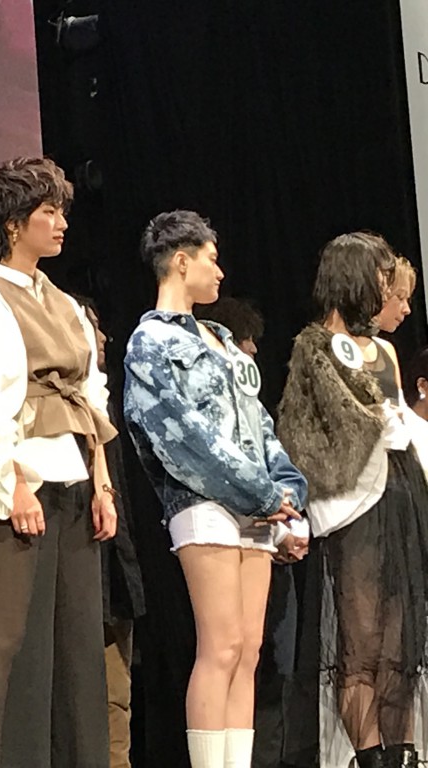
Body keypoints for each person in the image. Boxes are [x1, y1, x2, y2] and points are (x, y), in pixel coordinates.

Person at [123, 210, 307, 768]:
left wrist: (287, 492)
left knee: (248, 650)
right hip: (203, 503)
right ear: (181, 262)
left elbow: (258, 423)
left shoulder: (223, 339)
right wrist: (261, 494)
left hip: (256, 504)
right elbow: (182, 437)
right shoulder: (150, 341)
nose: (220, 271)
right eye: (211, 258)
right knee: (221, 645)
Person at [0, 156, 118, 768]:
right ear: (14, 223)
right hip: (24, 483)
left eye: (62, 211)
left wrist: (103, 486)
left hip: (74, 481)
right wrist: (13, 483)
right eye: (49, 211)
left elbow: (91, 399)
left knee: (76, 646)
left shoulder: (64, 303)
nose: (61, 222)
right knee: (11, 641)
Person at [279, 233, 428, 768]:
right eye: (382, 277)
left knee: (400, 641)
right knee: (361, 642)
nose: (388, 289)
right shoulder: (314, 349)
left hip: (399, 496)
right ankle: (368, 756)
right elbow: (304, 437)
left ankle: (402, 752)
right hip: (352, 508)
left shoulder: (384, 350)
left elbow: (400, 419)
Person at [196, 295, 311, 768]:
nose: (253, 351)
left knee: (256, 653)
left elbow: (275, 458)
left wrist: (290, 512)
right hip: (219, 530)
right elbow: (216, 467)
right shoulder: (207, 408)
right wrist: (267, 505)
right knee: (223, 651)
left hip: (265, 535)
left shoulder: (252, 406)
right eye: (245, 341)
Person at [76, 296, 147, 768]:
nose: (103, 338)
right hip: (81, 568)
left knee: (117, 696)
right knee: (82, 694)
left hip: (115, 571)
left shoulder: (109, 406)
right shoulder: (63, 407)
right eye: (93, 327)